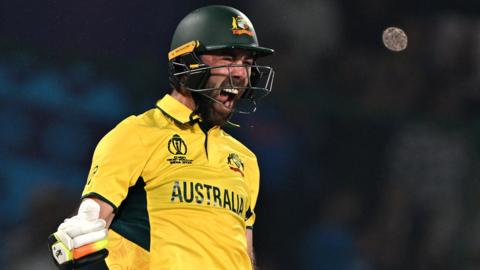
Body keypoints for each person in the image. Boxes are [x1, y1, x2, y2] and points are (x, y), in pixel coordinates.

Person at [48, 5, 274, 270]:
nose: (240, 73)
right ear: (189, 62)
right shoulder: (137, 134)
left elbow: (244, 255)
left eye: (247, 63)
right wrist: (77, 238)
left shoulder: (246, 160)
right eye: (228, 58)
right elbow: (89, 225)